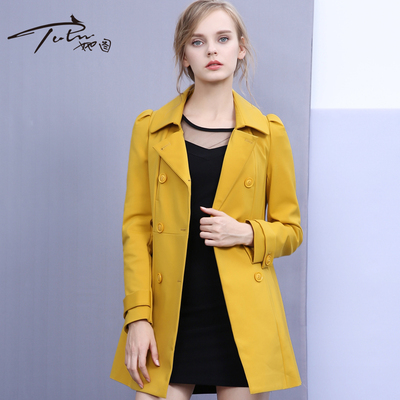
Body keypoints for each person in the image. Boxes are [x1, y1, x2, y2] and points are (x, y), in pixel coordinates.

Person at [110, 1, 303, 399]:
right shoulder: (152, 130)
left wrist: (245, 232)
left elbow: (291, 231)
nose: (212, 50)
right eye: (198, 42)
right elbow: (136, 231)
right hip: (170, 314)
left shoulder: (268, 134)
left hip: (243, 318)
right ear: (185, 55)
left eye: (223, 39)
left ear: (241, 48)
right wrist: (138, 317)